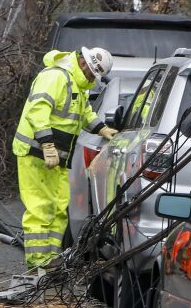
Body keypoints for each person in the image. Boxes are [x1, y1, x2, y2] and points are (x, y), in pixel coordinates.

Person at [13, 46, 116, 271]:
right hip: (36, 153)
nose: (92, 78)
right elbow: (37, 110)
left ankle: (51, 258)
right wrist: (47, 144)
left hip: (57, 157)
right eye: (91, 73)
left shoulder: (76, 84)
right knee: (40, 206)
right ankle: (38, 262)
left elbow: (84, 113)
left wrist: (102, 129)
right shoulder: (55, 77)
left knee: (58, 207)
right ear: (83, 64)